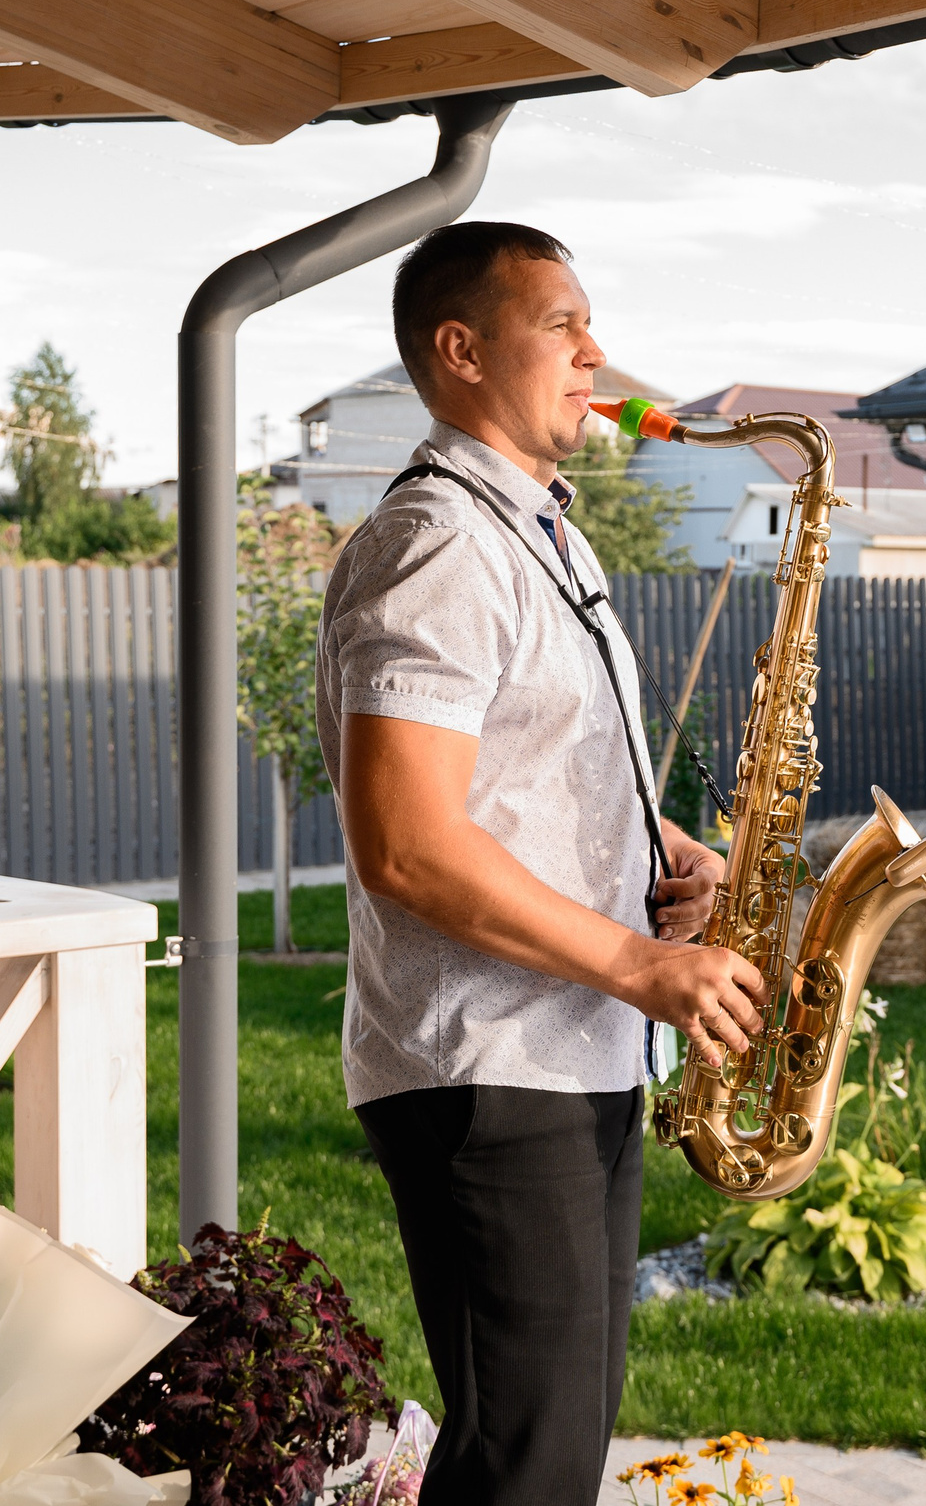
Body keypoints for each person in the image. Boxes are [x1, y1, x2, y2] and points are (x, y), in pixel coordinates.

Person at [316, 221, 767, 1505]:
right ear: (461, 350)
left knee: (547, 1452)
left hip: (566, 1049)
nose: (596, 353)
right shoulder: (439, 542)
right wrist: (639, 959)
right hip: (487, 1060)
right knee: (526, 1462)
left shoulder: (543, 534)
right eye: (562, 323)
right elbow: (405, 840)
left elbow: (514, 773)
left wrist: (666, 854)